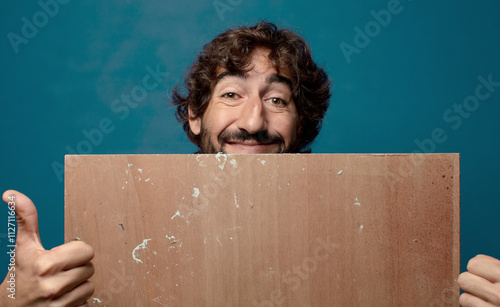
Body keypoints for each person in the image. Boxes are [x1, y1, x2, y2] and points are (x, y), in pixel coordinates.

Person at [2, 21, 499, 306]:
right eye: (232, 93)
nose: (254, 120)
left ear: (301, 124)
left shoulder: (380, 247)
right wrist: (12, 304)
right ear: (196, 116)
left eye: (278, 100)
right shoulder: (114, 235)